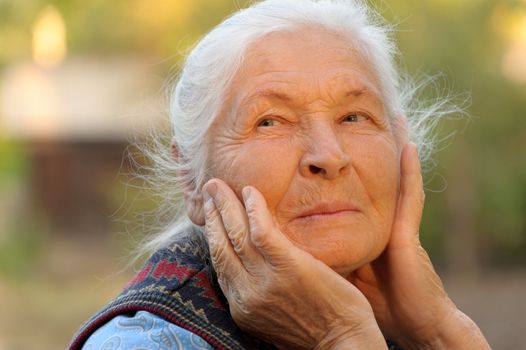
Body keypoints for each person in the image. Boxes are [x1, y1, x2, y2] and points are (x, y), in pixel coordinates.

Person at [69, 1, 490, 349]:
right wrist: (341, 336)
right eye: (270, 122)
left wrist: (441, 332)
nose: (329, 156)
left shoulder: (405, 325)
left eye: (354, 116)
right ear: (190, 179)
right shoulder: (147, 344)